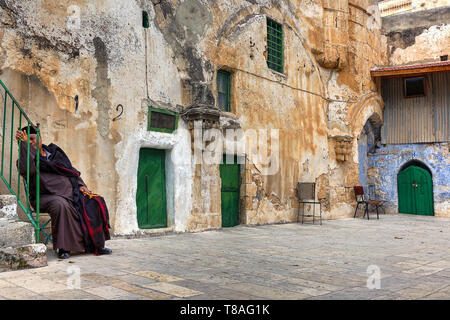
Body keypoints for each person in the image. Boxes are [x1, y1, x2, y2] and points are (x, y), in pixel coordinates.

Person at [16, 126, 112, 259]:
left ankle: (97, 245)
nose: (31, 142)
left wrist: (81, 185)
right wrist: (25, 147)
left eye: (32, 139)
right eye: (28, 140)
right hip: (44, 197)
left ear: (40, 138)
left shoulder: (55, 153)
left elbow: (70, 171)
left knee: (95, 201)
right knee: (60, 204)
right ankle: (64, 248)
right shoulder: (26, 160)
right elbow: (29, 170)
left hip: (71, 193)